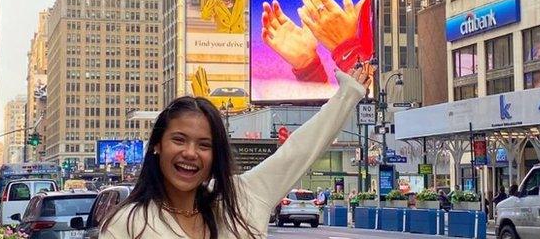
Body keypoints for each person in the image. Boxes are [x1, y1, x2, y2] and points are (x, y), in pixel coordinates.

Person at [100, 64, 374, 239]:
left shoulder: (242, 198)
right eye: (179, 140)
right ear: (157, 145)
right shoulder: (127, 226)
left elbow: (297, 151)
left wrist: (347, 95)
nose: (190, 153)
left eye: (204, 145)